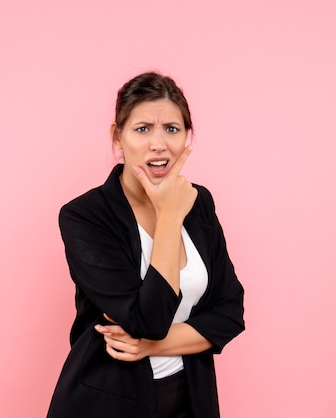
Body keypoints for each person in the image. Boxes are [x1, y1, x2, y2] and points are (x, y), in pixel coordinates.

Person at [46, 72, 245, 418]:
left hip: (191, 399)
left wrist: (150, 346)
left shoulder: (199, 204)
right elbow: (147, 319)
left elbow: (230, 313)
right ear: (117, 137)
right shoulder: (85, 217)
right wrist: (168, 216)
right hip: (107, 403)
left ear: (187, 137)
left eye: (172, 128)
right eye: (142, 129)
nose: (159, 144)